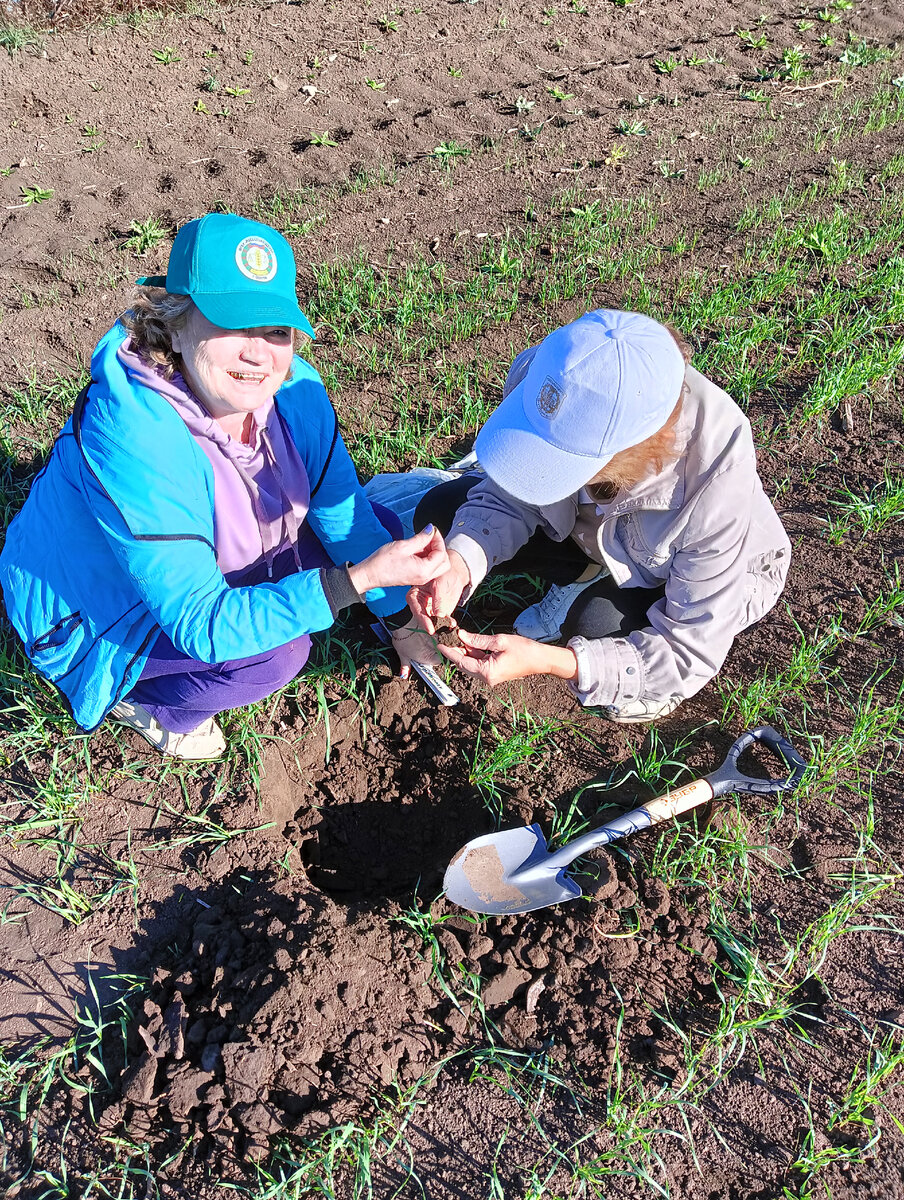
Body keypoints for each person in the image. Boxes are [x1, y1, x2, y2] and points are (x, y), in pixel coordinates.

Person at [0, 214, 447, 760]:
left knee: (382, 530)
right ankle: (151, 703)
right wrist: (353, 583)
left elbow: (342, 518)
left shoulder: (296, 391)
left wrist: (398, 614)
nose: (259, 354)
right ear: (176, 322)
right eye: (232, 325)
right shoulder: (137, 437)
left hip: (198, 565)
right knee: (276, 654)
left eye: (277, 331)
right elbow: (201, 625)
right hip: (95, 612)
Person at [408, 309, 791, 723]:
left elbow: (685, 649)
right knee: (442, 517)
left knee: (594, 628)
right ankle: (585, 572)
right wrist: (462, 564)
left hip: (692, 577)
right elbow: (512, 494)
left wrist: (551, 661)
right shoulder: (556, 379)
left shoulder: (715, 480)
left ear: (638, 455)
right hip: (598, 532)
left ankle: (604, 614)